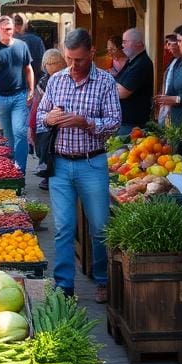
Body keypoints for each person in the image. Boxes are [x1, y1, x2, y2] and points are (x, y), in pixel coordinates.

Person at [36, 28, 120, 303]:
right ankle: (64, 286)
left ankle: (103, 279)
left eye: (79, 60)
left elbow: (114, 123)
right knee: (63, 227)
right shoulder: (56, 80)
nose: (73, 66)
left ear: (92, 53)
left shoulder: (106, 82)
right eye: (69, 59)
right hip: (60, 164)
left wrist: (86, 122)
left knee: (99, 226)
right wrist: (51, 119)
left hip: (92, 163)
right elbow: (40, 117)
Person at [0, 16, 34, 175]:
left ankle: (20, 171)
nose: (7, 31)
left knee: (20, 132)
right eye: (4, 29)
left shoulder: (22, 46)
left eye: (9, 28)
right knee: (6, 136)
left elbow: (28, 68)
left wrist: (31, 89)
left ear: (13, 29)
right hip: (0, 98)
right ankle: (9, 169)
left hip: (19, 96)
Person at [29, 48, 68, 190]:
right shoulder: (43, 82)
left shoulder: (67, 78)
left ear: (62, 62)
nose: (51, 66)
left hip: (63, 123)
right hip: (45, 123)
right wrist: (31, 127)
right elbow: (35, 108)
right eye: (48, 63)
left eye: (55, 62)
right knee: (43, 149)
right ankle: (46, 174)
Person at [115, 28, 154, 136]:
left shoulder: (142, 63)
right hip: (124, 123)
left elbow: (123, 92)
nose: (122, 45)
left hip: (132, 125)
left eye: (125, 42)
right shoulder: (131, 61)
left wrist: (107, 87)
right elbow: (117, 83)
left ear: (138, 43)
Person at [13, 13, 45, 81]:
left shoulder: (7, 41)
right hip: (34, 80)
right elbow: (43, 64)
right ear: (25, 25)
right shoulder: (37, 40)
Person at [156, 34, 180, 124]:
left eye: (169, 44)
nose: (167, 47)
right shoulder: (173, 60)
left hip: (176, 104)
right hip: (167, 101)